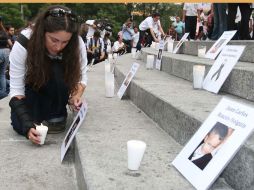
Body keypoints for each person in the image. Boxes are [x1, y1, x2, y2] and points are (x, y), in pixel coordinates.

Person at [9, 5, 88, 145]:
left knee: (56, 70)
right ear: (42, 32)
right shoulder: (24, 42)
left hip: (58, 87)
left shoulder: (77, 43)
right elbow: (16, 90)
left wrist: (75, 96)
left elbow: (81, 77)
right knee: (20, 122)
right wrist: (27, 125)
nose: (58, 47)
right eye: (54, 40)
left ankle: (56, 115)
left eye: (65, 42)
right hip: (32, 90)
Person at [0, 16, 11, 99]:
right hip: (7, 52)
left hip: (0, 52)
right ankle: (3, 93)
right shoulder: (4, 31)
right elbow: (10, 44)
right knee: (2, 74)